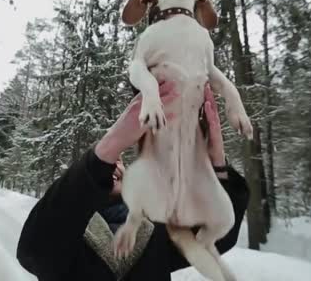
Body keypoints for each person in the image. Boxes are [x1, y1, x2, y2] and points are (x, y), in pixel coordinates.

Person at [16, 81, 250, 280]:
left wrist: (217, 166)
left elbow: (218, 234)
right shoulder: (67, 229)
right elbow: (33, 250)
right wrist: (108, 148)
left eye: (118, 161)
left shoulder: (157, 227)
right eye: (108, 163)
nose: (114, 166)